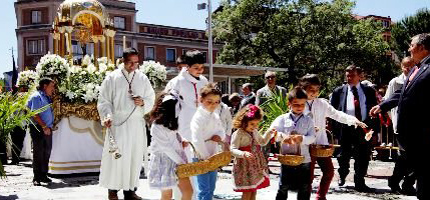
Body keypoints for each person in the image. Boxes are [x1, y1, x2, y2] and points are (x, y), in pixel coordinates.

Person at [370, 33, 430, 199]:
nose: (409, 48)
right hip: (412, 136)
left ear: (422, 48)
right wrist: (383, 105)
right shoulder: (418, 68)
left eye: (412, 45)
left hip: (422, 135)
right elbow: (403, 94)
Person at [97, 48, 155, 200]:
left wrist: (143, 102)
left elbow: (151, 98)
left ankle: (130, 191)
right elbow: (104, 101)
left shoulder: (142, 78)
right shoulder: (112, 78)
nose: (133, 66)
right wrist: (107, 116)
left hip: (136, 124)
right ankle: (113, 191)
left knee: (134, 158)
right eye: (130, 63)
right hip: (118, 124)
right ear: (123, 60)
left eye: (136, 63)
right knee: (117, 158)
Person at [299, 74, 367, 200]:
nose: (314, 93)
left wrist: (353, 120)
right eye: (311, 90)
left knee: (329, 172)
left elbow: (337, 114)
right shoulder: (298, 103)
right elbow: (293, 122)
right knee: (308, 176)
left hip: (321, 143)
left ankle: (321, 197)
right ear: (303, 89)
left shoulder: (322, 104)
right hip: (305, 145)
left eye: (317, 90)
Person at [330, 65, 379, 192]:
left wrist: (374, 129)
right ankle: (342, 174)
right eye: (347, 76)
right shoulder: (338, 91)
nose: (349, 78)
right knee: (343, 156)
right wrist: (335, 131)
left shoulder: (368, 91)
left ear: (360, 76)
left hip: (363, 128)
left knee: (363, 155)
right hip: (345, 128)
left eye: (352, 75)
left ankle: (360, 181)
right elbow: (332, 112)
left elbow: (374, 109)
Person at [270, 87, 316, 200]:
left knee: (304, 187)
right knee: (283, 186)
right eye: (296, 104)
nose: (299, 107)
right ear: (289, 104)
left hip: (304, 159)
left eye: (302, 104)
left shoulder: (309, 120)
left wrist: (302, 139)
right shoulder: (282, 119)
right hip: (287, 158)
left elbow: (312, 138)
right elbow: (272, 132)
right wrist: (282, 137)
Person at [148, 92, 193, 200]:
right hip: (164, 161)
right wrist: (181, 162)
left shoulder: (172, 123)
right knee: (167, 195)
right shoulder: (157, 127)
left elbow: (174, 137)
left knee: (188, 191)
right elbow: (166, 147)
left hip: (177, 160)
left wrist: (181, 140)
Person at [384, 57, 416, 195]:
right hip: (400, 125)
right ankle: (398, 181)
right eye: (405, 66)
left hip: (415, 124)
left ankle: (406, 183)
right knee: (406, 156)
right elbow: (388, 100)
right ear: (401, 67)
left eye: (411, 66)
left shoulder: (418, 79)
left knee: (414, 157)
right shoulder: (395, 82)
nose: (408, 69)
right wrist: (394, 120)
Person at [165, 50, 208, 144]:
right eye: (196, 68)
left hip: (201, 121)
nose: (200, 70)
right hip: (184, 122)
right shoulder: (177, 82)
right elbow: (168, 106)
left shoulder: (204, 81)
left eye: (202, 67)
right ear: (187, 67)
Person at [230, 104, 273, 200]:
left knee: (254, 189)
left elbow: (262, 142)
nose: (255, 126)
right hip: (244, 166)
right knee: (247, 191)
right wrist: (243, 153)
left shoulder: (254, 131)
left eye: (257, 124)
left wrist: (268, 133)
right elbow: (232, 149)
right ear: (244, 122)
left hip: (255, 165)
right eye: (252, 124)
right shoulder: (238, 133)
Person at [191, 83, 225, 200]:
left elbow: (221, 130)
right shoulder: (198, 117)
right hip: (201, 157)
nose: (213, 105)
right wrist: (205, 157)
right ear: (201, 100)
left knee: (211, 188)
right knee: (203, 189)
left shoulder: (215, 116)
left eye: (216, 102)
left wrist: (219, 136)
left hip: (213, 155)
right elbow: (196, 139)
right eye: (209, 102)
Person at [27, 77, 55, 186]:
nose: (53, 89)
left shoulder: (47, 97)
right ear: (45, 86)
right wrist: (44, 127)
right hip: (38, 128)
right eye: (51, 86)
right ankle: (36, 177)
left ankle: (43, 175)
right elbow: (35, 114)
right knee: (38, 153)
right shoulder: (36, 96)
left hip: (47, 128)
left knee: (46, 152)